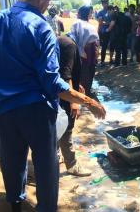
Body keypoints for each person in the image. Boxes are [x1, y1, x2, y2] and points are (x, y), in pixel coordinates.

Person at [0, 0, 106, 211]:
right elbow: (51, 82)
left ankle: (15, 206)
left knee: (12, 160)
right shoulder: (41, 27)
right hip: (37, 111)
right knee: (46, 165)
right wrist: (88, 101)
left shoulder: (1, 19)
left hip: (4, 109)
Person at [58, 35, 92, 177]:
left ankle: (56, 154)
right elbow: (66, 74)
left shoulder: (60, 41)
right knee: (67, 128)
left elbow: (62, 68)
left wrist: (77, 86)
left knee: (57, 125)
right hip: (64, 92)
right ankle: (71, 165)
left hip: (55, 90)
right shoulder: (70, 45)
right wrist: (74, 101)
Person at [72, 6, 99, 97]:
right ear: (86, 13)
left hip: (85, 50)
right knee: (86, 71)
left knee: (85, 70)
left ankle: (83, 91)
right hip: (87, 50)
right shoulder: (82, 25)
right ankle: (84, 92)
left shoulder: (78, 24)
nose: (91, 14)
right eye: (90, 12)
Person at [96, 0, 111, 65]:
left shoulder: (111, 10)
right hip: (103, 32)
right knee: (103, 47)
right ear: (102, 4)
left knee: (111, 46)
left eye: (107, 2)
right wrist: (109, 23)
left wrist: (107, 23)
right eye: (104, 3)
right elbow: (100, 22)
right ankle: (102, 61)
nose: (106, 4)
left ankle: (111, 60)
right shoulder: (100, 12)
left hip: (111, 31)